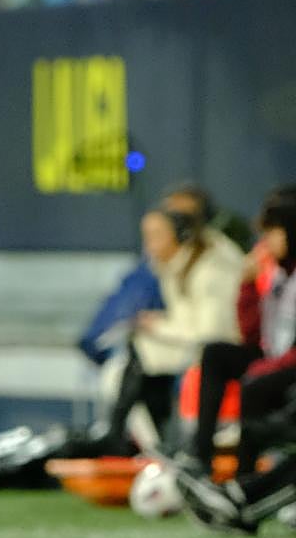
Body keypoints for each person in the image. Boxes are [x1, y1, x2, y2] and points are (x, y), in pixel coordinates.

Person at [96, 208, 242, 454]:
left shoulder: (210, 270)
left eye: (156, 235)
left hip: (221, 353)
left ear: (181, 235)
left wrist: (159, 326)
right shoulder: (174, 267)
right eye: (147, 236)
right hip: (191, 349)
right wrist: (160, 323)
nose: (150, 245)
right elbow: (186, 320)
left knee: (127, 367)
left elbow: (213, 333)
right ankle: (154, 446)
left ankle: (144, 446)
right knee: (120, 370)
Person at [183, 187, 296, 478]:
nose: (265, 242)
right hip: (274, 358)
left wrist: (264, 367)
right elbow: (251, 336)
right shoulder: (279, 274)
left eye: (272, 233)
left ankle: (244, 476)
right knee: (216, 354)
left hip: (287, 366)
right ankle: (200, 454)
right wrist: (247, 287)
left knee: (254, 384)